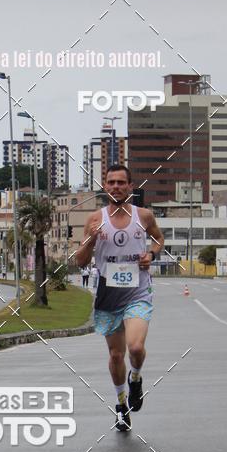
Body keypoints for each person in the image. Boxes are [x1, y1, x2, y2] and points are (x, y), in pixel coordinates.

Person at [75, 164, 164, 432]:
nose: (115, 186)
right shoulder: (94, 218)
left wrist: (152, 254)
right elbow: (80, 262)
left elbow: (159, 239)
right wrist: (91, 239)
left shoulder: (144, 216)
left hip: (137, 290)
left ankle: (135, 378)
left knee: (135, 348)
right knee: (116, 355)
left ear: (130, 186)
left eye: (120, 182)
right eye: (111, 182)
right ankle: (121, 403)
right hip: (108, 292)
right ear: (105, 186)